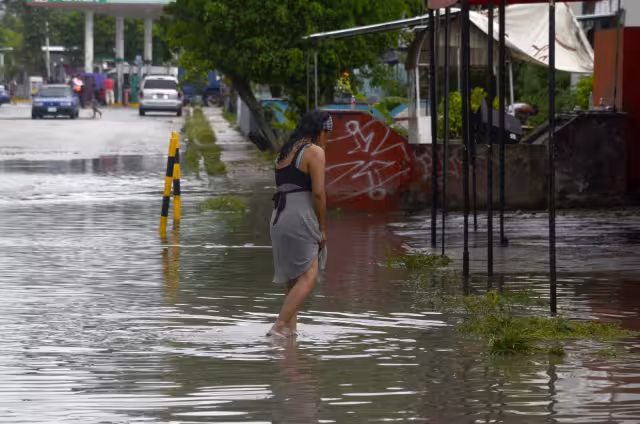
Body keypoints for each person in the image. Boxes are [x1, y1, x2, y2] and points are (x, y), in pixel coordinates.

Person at [267, 110, 331, 338]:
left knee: (293, 281)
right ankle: (279, 327)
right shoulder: (315, 152)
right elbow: (318, 194)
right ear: (319, 130)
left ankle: (290, 336)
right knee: (309, 276)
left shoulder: (285, 152)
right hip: (299, 215)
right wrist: (322, 227)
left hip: (278, 216)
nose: (328, 138)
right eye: (327, 132)